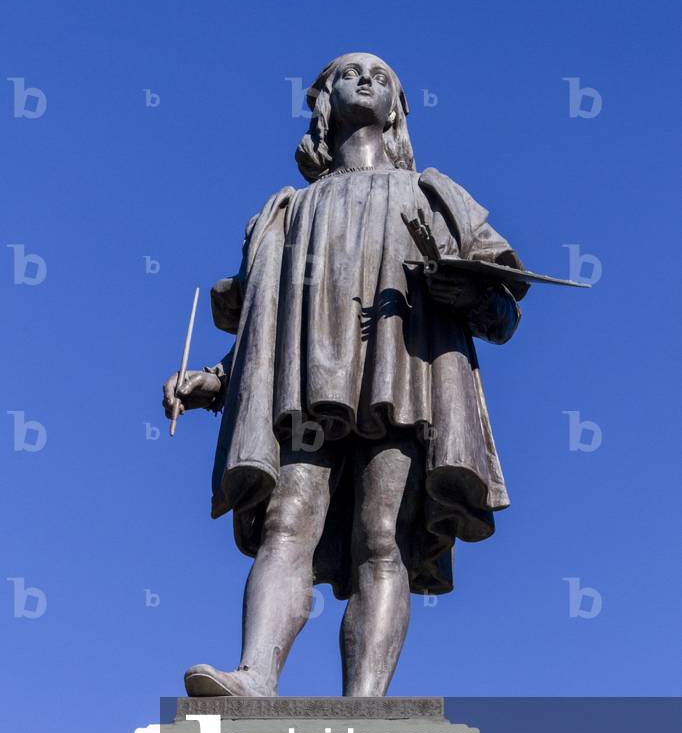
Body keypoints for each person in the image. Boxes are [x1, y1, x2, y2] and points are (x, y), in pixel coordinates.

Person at [163, 52, 527, 697]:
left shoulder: (434, 197)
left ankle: (365, 705)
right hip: (305, 389)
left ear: (398, 112)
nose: (366, 80)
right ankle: (255, 676)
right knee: (287, 517)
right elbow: (265, 331)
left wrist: (462, 293)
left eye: (382, 76)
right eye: (349, 72)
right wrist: (215, 381)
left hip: (404, 380)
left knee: (381, 535)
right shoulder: (285, 212)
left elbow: (501, 311)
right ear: (323, 100)